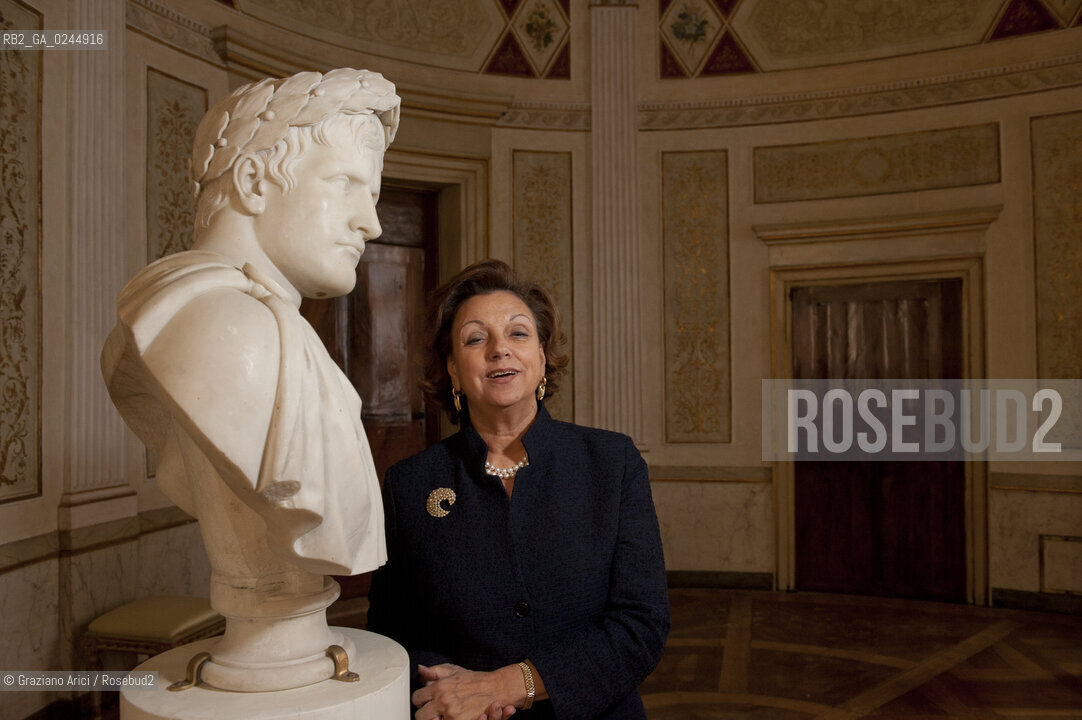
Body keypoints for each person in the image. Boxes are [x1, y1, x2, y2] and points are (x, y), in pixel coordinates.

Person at [101, 69, 400, 690]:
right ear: (254, 182)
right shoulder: (230, 333)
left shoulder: (263, 328)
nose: (371, 224)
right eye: (346, 184)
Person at [367, 260, 670, 720]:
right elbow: (392, 634)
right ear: (452, 370)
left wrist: (506, 685)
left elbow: (640, 626)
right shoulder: (409, 483)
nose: (499, 350)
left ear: (542, 357)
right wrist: (447, 689)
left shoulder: (612, 462)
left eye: (518, 333)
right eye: (475, 339)